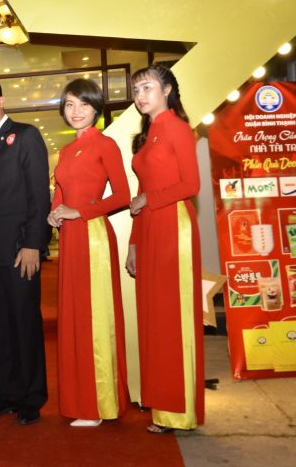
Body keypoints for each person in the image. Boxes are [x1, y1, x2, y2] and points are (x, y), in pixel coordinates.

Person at [124, 65, 204, 434]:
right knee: (154, 320)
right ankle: (162, 405)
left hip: (174, 227)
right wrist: (133, 244)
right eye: (136, 90)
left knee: (172, 319)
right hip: (150, 228)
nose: (140, 95)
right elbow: (141, 195)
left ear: (167, 89)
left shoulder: (177, 128)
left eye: (147, 87)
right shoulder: (150, 133)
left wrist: (149, 200)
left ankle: (178, 410)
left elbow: (191, 185)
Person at [47, 79, 130, 427]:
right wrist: (54, 212)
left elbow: (123, 195)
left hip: (93, 236)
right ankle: (80, 400)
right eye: (69, 104)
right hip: (70, 239)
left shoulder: (105, 144)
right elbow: (62, 192)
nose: (76, 111)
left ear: (96, 108)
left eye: (83, 104)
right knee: (73, 318)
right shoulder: (67, 151)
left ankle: (100, 404)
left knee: (94, 318)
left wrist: (79, 211)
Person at [0, 76, 49, 426]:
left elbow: (39, 195)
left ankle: (31, 398)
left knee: (24, 324)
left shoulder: (26, 136)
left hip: (19, 251)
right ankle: (6, 394)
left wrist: (33, 244)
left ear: (1, 101)